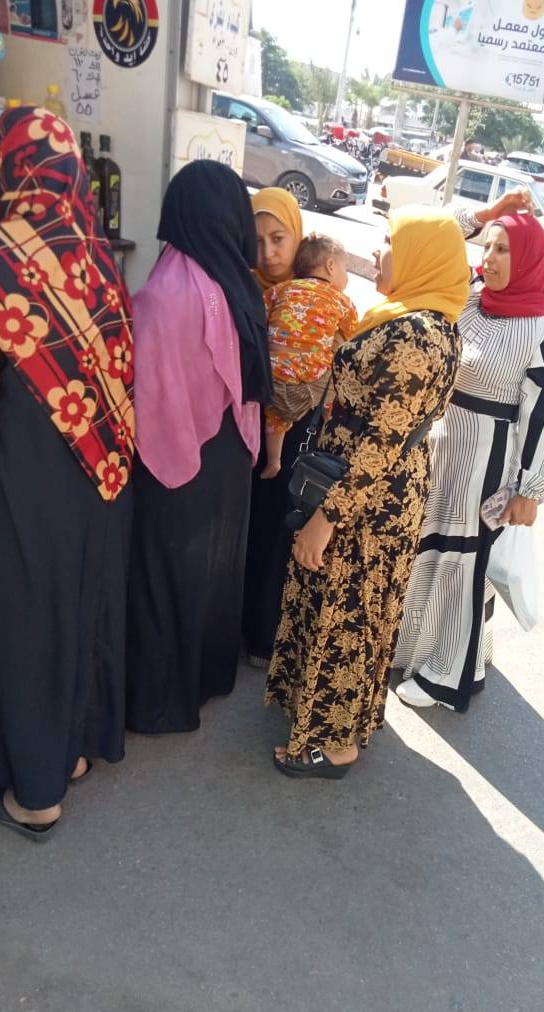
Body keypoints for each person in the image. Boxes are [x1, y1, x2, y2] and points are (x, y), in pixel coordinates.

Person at [0, 106, 134, 839]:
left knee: (20, 622)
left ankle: (36, 795)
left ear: (5, 169)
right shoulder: (101, 263)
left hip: (17, 477)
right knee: (78, 608)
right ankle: (71, 753)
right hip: (101, 477)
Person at [266, 206, 470, 778]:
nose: (378, 254)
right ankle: (327, 719)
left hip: (366, 500)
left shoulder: (417, 335)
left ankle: (334, 745)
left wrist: (326, 518)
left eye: (390, 244)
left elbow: (383, 442)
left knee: (348, 613)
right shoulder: (415, 319)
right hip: (366, 487)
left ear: (420, 258)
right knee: (345, 607)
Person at [393, 190, 544, 713]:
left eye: (503, 250)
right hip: (440, 442)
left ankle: (449, 675)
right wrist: (491, 214)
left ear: (529, 258)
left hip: (486, 458)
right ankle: (413, 648)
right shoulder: (470, 295)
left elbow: (542, 418)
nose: (489, 258)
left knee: (463, 562)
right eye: (487, 247)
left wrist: (528, 490)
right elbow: (440, 232)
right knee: (424, 547)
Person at [125, 161, 272, 734]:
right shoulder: (238, 283)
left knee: (166, 571)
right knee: (214, 566)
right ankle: (209, 676)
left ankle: (162, 700)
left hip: (178, 449)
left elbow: (149, 392)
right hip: (230, 451)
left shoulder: (166, 290)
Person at [242, 187, 308, 668]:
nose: (268, 252)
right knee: (246, 527)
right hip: (246, 427)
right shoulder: (242, 286)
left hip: (297, 432)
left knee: (278, 530)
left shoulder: (317, 288)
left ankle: (266, 635)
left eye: (278, 238)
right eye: (258, 240)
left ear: (297, 235)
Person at [261, 232, 357, 480]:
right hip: (311, 371)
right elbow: (351, 337)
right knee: (331, 389)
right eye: (345, 269)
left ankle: (273, 461)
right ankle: (324, 429)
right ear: (331, 265)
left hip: (273, 368)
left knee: (275, 417)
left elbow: (262, 314)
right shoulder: (342, 301)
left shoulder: (280, 289)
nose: (346, 277)